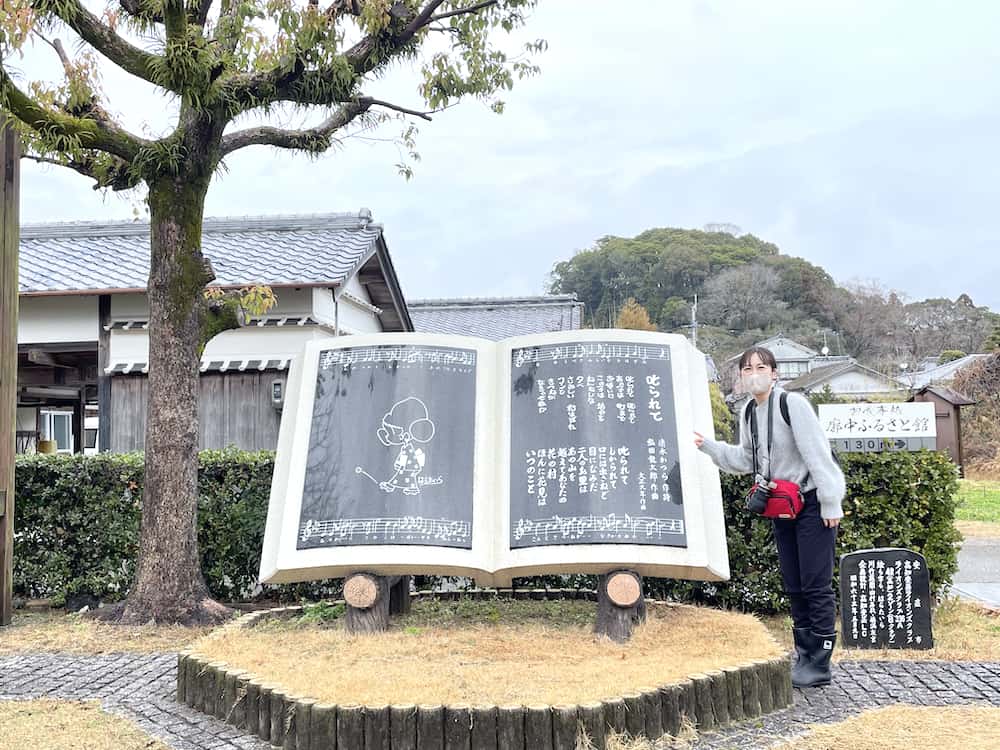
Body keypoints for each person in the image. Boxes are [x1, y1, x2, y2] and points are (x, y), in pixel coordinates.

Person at [694, 346, 845, 688]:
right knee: (793, 583)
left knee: (815, 584)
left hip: (810, 504)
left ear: (775, 373)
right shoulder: (749, 411)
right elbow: (747, 459)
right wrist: (709, 447)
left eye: (761, 367)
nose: (754, 373)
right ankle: (804, 654)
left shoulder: (792, 405)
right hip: (782, 506)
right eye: (747, 369)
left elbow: (818, 456)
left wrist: (830, 502)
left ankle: (820, 661)